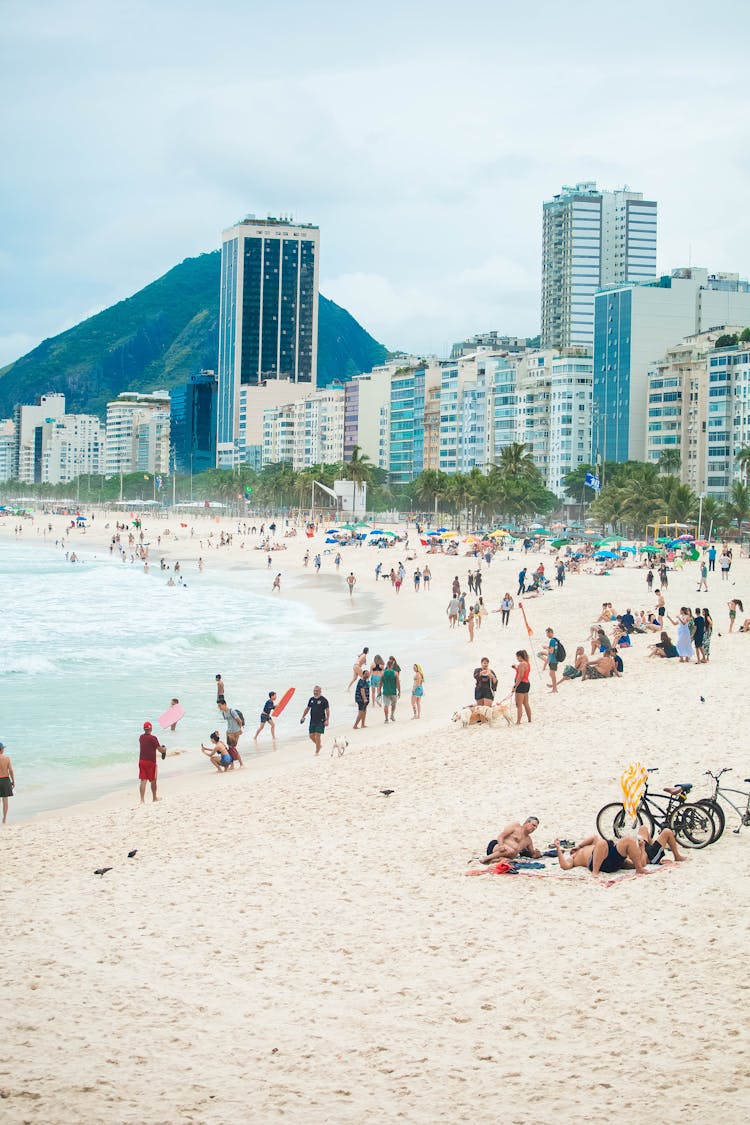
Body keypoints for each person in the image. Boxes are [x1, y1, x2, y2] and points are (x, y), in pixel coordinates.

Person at [555, 834, 648, 876]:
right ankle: (595, 873)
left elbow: (594, 837)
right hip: (598, 865)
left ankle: (639, 868)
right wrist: (558, 848)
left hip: (610, 856)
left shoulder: (587, 846)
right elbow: (564, 866)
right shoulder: (573, 857)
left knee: (629, 840)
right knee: (602, 843)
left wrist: (579, 846)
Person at [138, 721, 166, 804]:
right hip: (151, 762)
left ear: (144, 729)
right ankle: (154, 798)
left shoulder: (141, 737)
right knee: (153, 780)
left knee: (143, 780)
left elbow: (147, 745)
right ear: (151, 728)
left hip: (142, 761)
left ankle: (142, 800)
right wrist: (164, 750)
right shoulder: (153, 738)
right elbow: (160, 750)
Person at [300, 686, 330, 754]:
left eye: (317, 691)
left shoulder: (324, 700)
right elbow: (307, 708)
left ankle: (317, 751)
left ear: (320, 691)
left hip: (321, 720)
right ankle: (319, 745)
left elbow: (327, 710)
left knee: (317, 736)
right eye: (314, 691)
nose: (315, 692)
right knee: (311, 736)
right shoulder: (311, 699)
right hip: (312, 720)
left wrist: (327, 720)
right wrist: (303, 716)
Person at [218, 702, 244, 766]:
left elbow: (239, 721)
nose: (219, 707)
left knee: (233, 748)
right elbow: (228, 722)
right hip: (229, 732)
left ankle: (240, 763)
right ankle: (233, 765)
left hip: (236, 732)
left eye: (220, 705)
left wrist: (239, 729)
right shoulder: (223, 713)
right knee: (231, 748)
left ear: (225, 704)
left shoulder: (232, 711)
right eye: (218, 706)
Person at [512, 650, 531, 724]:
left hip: (521, 684)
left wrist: (515, 686)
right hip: (526, 683)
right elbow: (523, 672)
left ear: (520, 656)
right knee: (526, 703)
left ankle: (518, 721)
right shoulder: (527, 663)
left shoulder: (522, 664)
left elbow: (520, 676)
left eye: (517, 657)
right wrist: (516, 668)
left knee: (518, 704)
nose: (517, 659)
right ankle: (529, 719)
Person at [381, 656, 400, 722]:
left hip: (385, 691)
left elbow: (380, 683)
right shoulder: (395, 673)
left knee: (386, 705)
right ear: (392, 665)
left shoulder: (383, 673)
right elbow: (398, 683)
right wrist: (399, 691)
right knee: (393, 704)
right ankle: (392, 715)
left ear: (387, 665)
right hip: (393, 691)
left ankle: (386, 719)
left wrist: (378, 691)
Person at [0, 741, 15, 824]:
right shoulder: (6, 758)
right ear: (1, 749)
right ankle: (4, 819)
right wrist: (13, 781)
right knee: (5, 800)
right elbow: (11, 770)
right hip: (5, 780)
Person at [543, 626, 561, 693]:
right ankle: (554, 687)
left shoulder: (552, 640)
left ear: (550, 633)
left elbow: (551, 651)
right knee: (551, 674)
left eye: (547, 633)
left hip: (553, 659)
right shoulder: (555, 640)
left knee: (552, 674)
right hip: (554, 659)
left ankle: (554, 689)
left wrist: (545, 648)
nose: (546, 635)